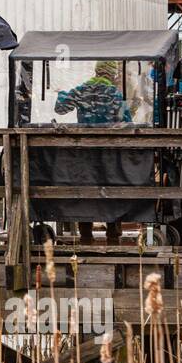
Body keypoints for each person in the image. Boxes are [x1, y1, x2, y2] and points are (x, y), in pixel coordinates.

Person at [55, 60, 131, 244]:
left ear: (96, 71)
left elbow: (60, 108)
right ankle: (113, 237)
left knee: (85, 193)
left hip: (85, 155)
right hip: (109, 156)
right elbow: (127, 122)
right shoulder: (114, 94)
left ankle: (86, 237)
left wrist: (61, 93)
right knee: (111, 193)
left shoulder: (82, 90)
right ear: (112, 75)